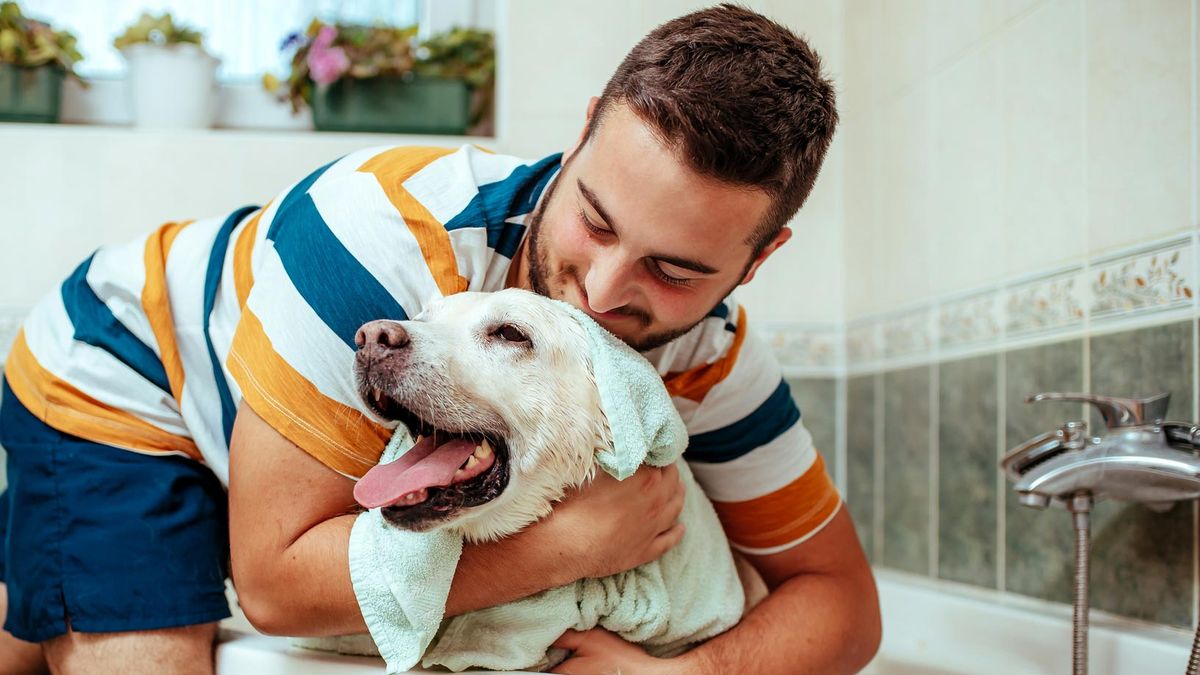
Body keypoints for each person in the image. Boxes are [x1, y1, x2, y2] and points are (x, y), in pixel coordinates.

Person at [0, 4, 881, 674]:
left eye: (676, 270)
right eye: (596, 221)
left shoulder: (715, 358)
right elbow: (271, 587)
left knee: (66, 601)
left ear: (757, 261)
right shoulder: (379, 234)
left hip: (257, 446)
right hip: (126, 363)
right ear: (581, 134)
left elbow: (844, 602)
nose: (606, 294)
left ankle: (39, 587)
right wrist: (572, 546)